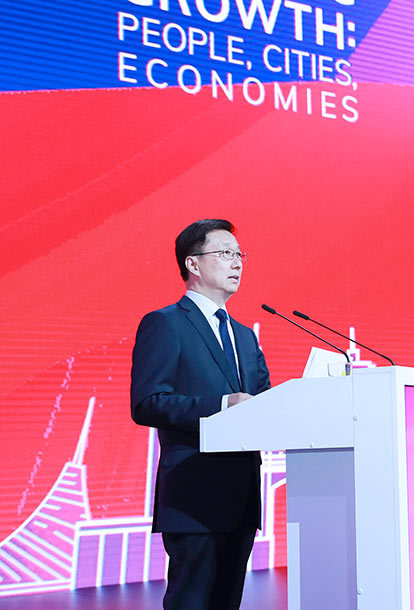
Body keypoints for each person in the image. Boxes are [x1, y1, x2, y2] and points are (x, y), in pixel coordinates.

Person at [131, 219, 271, 610]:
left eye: (239, 254)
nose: (237, 262)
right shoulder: (166, 323)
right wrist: (222, 405)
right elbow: (147, 402)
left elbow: (263, 402)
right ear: (193, 264)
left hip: (241, 499)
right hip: (194, 497)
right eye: (225, 253)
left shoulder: (244, 335)